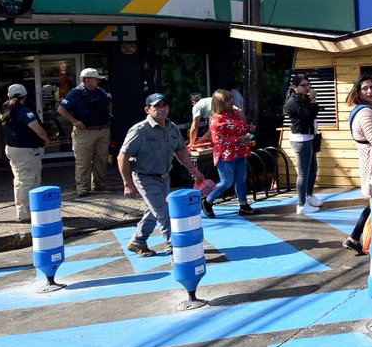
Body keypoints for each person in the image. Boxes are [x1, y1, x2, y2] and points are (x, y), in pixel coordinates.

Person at [119, 94, 202, 257]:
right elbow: (123, 156)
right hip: (145, 177)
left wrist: (194, 170)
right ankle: (175, 247)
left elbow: (180, 151)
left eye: (164, 105)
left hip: (164, 177)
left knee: (154, 211)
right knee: (164, 212)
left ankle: (138, 241)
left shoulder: (172, 128)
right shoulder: (140, 130)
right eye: (156, 106)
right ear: (147, 109)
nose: (161, 109)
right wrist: (127, 183)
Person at [57, 67, 112, 197]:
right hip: (84, 132)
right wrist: (74, 121)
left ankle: (99, 185)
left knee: (101, 159)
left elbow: (109, 102)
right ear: (86, 80)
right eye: (95, 79)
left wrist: (109, 113)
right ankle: (83, 188)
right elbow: (61, 109)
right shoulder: (75, 93)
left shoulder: (101, 91)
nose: (98, 81)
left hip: (103, 130)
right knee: (83, 161)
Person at [343, 75, 372, 254]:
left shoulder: (365, 109)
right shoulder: (366, 113)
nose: (369, 91)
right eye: (365, 88)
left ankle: (353, 238)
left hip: (370, 164)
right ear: (358, 92)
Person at [200, 89, 255, 218]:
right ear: (219, 103)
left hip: (239, 151)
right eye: (227, 99)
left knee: (241, 178)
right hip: (226, 155)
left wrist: (248, 128)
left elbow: (239, 128)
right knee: (226, 182)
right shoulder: (216, 120)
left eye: (231, 98)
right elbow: (218, 139)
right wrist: (237, 139)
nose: (231, 101)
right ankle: (208, 201)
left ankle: (243, 205)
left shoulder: (235, 113)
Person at [0, 84, 48, 221]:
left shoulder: (5, 109)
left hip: (12, 148)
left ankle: (22, 211)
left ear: (9, 95)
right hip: (26, 150)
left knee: (20, 180)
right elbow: (37, 129)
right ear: (24, 96)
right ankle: (27, 213)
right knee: (29, 180)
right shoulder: (24, 111)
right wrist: (46, 139)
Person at [285, 73, 323, 215]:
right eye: (303, 85)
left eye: (308, 84)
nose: (307, 87)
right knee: (303, 173)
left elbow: (314, 112)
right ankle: (301, 204)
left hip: (309, 137)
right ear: (295, 87)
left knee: (313, 168)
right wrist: (313, 99)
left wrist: (311, 100)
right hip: (301, 139)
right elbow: (309, 114)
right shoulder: (293, 102)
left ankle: (308, 195)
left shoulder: (303, 98)